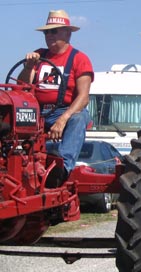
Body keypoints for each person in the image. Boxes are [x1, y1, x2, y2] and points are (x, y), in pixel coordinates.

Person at [18, 10, 94, 183]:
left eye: (54, 31)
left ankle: (62, 169)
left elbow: (83, 98)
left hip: (64, 111)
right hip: (37, 113)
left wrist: (63, 119)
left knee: (79, 117)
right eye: (47, 31)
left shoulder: (79, 59)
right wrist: (29, 67)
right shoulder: (39, 55)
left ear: (68, 33)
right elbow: (23, 87)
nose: (49, 35)